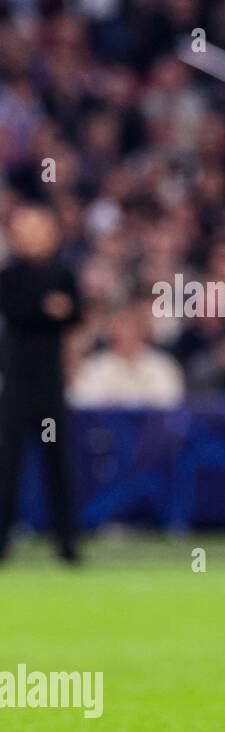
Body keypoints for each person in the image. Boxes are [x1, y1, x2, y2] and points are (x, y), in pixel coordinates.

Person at [0, 204, 82, 564]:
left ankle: (66, 543)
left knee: (59, 466)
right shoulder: (10, 275)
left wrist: (54, 310)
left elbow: (74, 312)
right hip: (17, 387)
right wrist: (46, 308)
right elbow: (18, 311)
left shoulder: (63, 273)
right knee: (8, 467)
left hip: (50, 387)